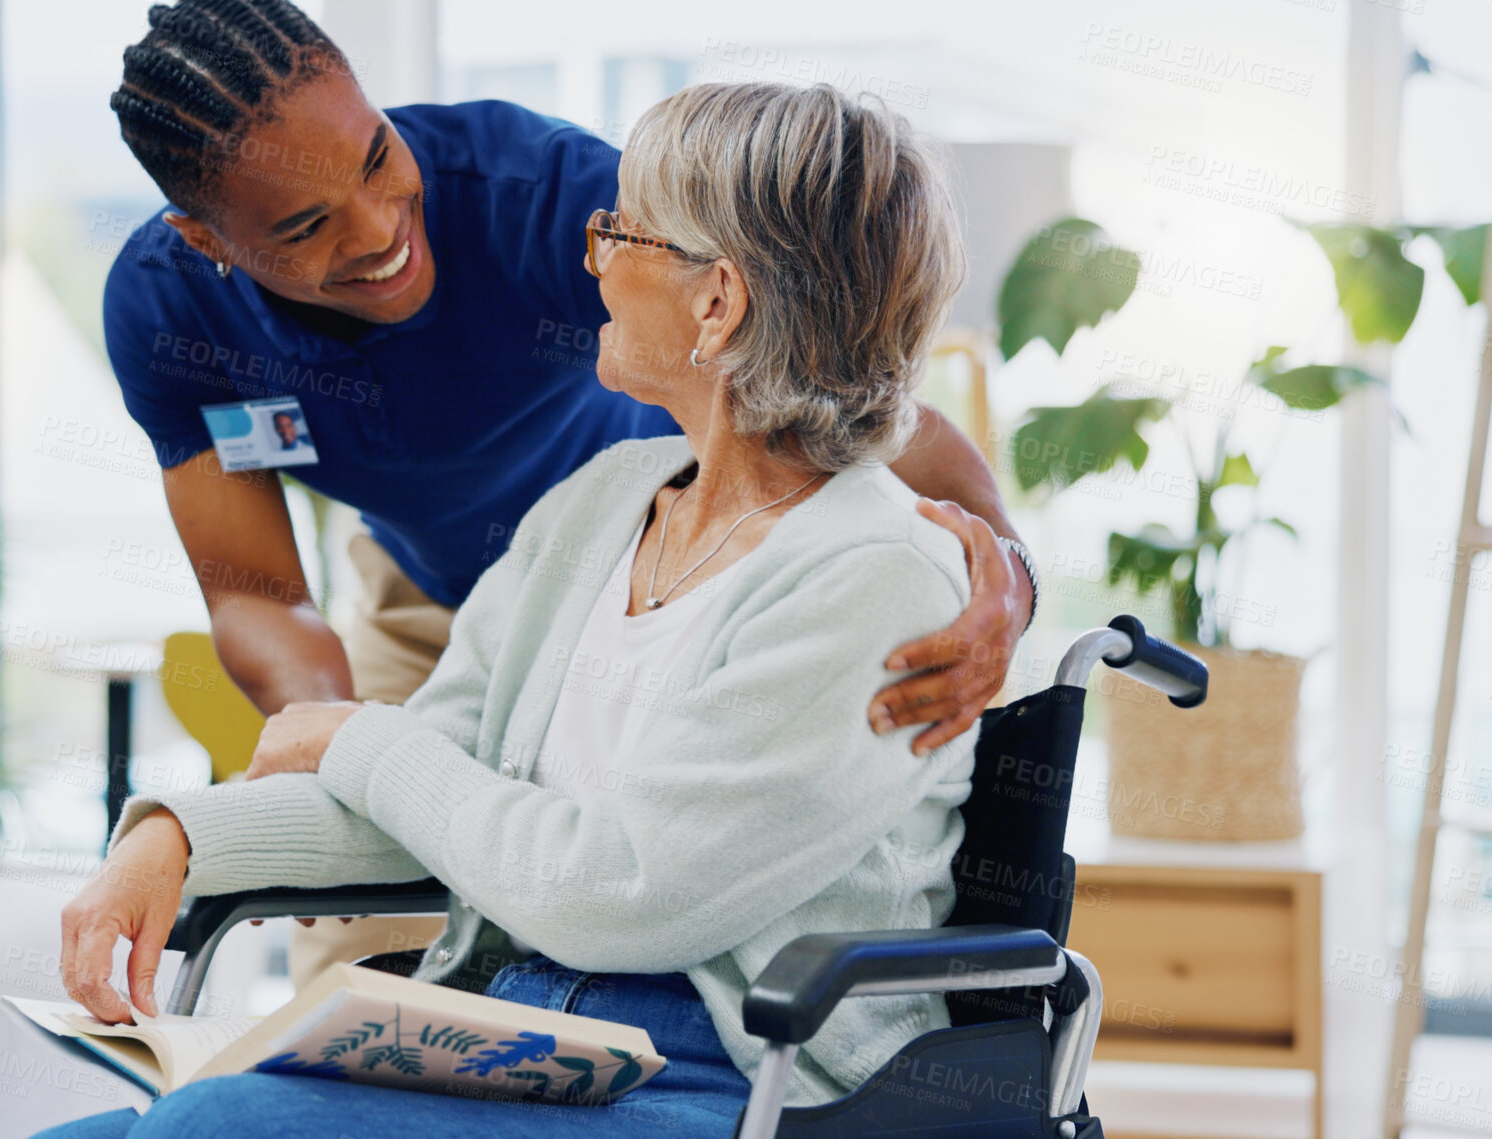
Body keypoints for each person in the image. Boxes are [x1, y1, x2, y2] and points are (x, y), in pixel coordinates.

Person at [48, 78, 980, 1139]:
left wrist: (355, 737)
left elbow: (615, 889)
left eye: (619, 231)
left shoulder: (869, 575)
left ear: (716, 303)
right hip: (525, 1036)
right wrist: (178, 833)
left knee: (203, 1127)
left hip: (730, 1074)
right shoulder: (601, 506)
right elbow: (430, 780)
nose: (592, 255)